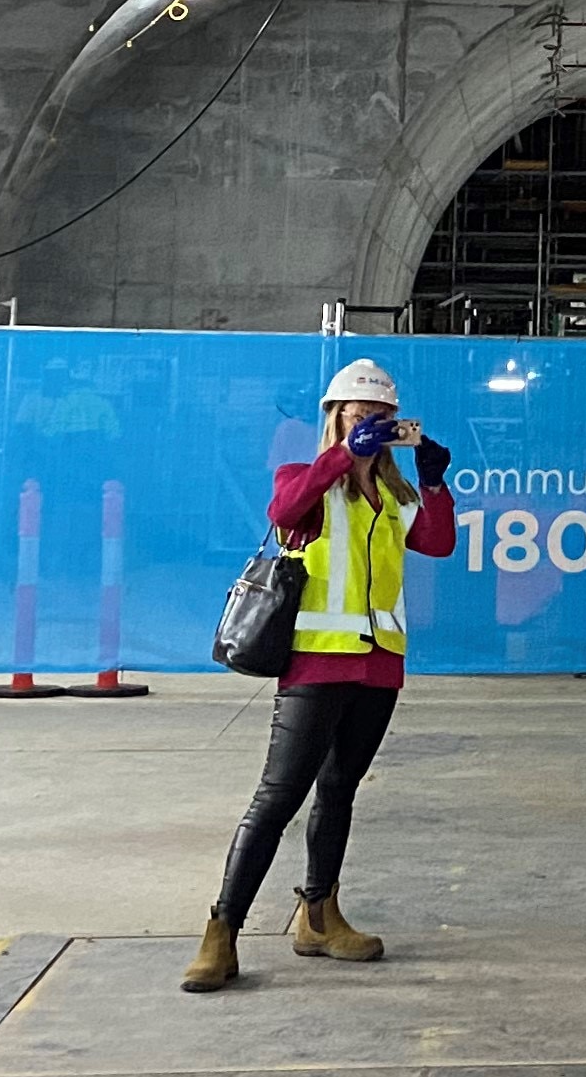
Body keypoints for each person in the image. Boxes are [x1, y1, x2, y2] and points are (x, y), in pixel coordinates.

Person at [182, 357, 458, 991]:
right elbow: (286, 511)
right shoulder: (307, 478)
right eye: (361, 416)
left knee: (338, 791)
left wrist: (434, 483)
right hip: (315, 662)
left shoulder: (393, 496)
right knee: (278, 797)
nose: (373, 425)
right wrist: (341, 457)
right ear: (336, 418)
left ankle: (320, 915)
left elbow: (437, 543)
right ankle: (222, 932)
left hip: (380, 665)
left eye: (384, 418)